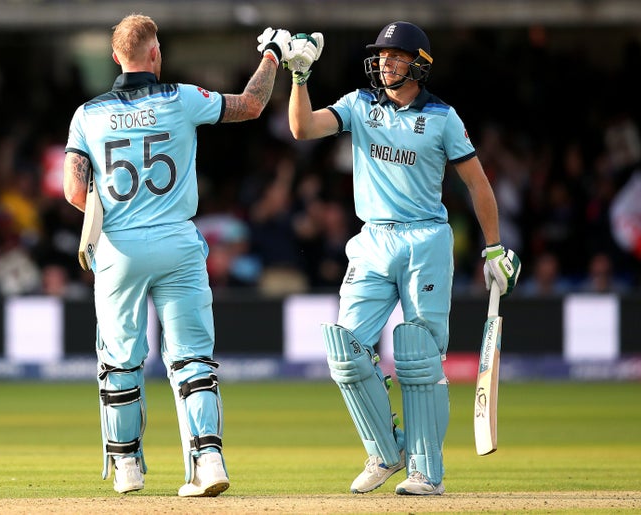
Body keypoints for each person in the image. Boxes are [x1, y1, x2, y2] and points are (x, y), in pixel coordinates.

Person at [286, 22, 521, 495]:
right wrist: (299, 77)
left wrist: (494, 247)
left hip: (425, 241)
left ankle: (425, 471)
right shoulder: (358, 105)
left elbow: (477, 184)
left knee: (418, 355)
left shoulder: (442, 118)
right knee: (345, 352)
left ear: (418, 63)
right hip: (371, 239)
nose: (385, 62)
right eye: (381, 55)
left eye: (395, 55)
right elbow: (302, 127)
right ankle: (384, 452)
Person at [63, 14, 292, 497]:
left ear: (114, 57)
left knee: (121, 359)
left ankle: (127, 467)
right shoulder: (182, 98)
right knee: (192, 359)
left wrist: (112, 217)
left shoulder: (88, 114)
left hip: (120, 247)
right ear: (155, 55)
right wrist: (272, 56)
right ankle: (208, 461)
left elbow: (73, 191)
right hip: (178, 241)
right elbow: (251, 105)